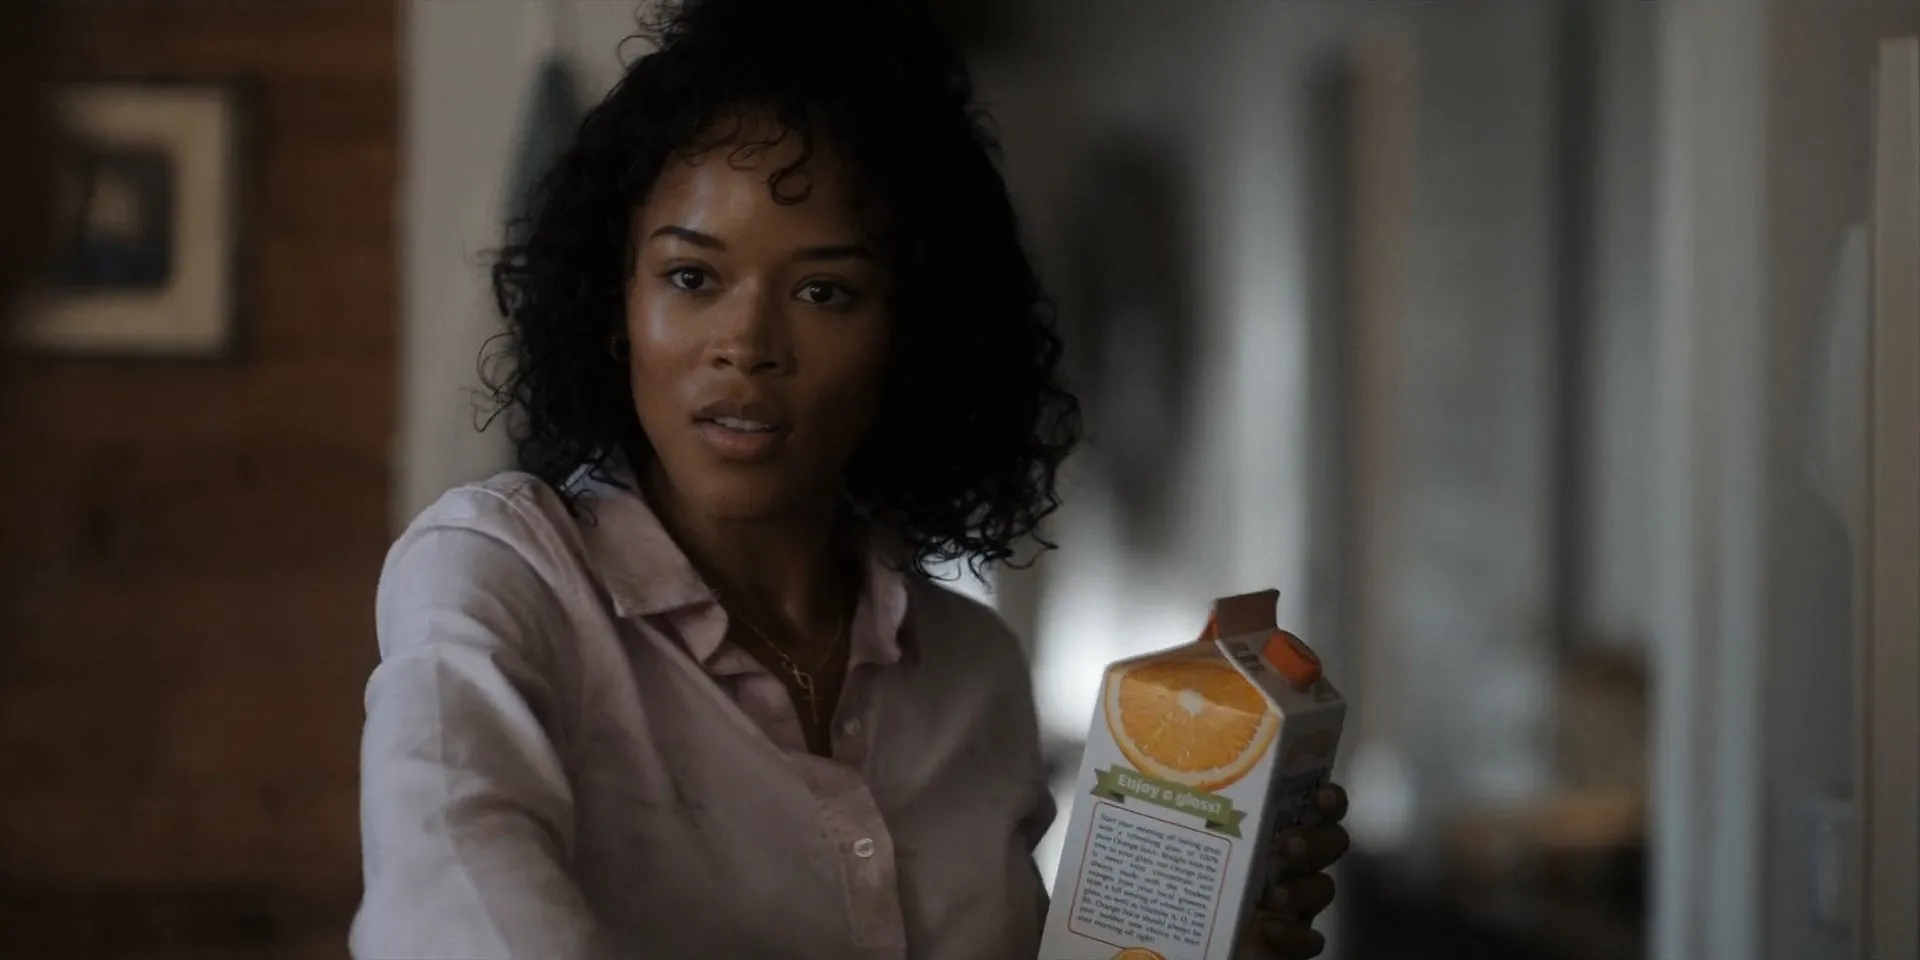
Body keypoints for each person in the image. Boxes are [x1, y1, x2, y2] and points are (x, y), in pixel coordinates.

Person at [352, 1, 1349, 957]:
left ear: (909, 338)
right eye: (692, 278)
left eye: (824, 292)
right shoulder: (503, 577)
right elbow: (448, 903)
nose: (746, 344)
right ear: (617, 305)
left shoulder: (973, 675)